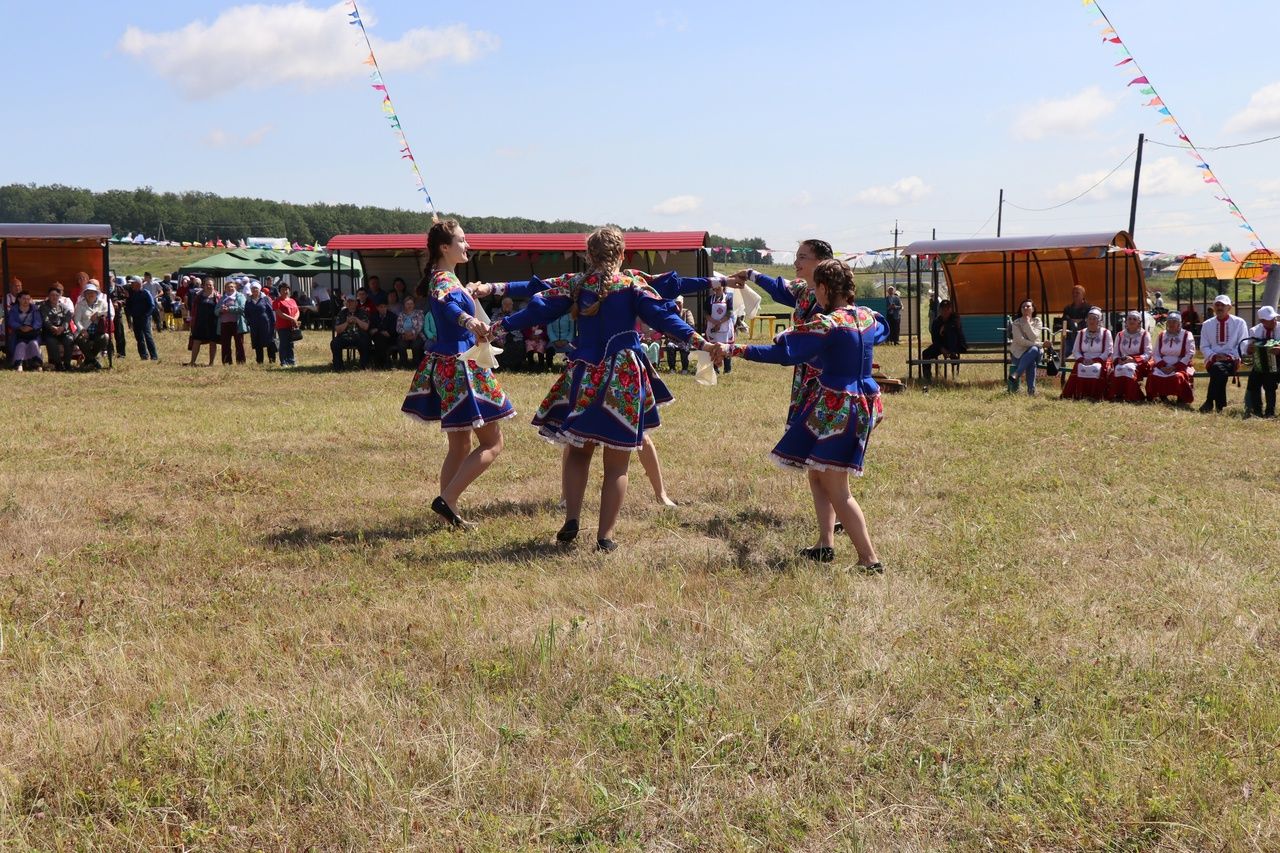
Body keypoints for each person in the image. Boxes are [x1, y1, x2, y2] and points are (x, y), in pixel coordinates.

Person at [495, 226, 719, 551]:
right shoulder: (631, 285)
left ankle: (572, 516)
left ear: (589, 255)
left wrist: (497, 326)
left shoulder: (577, 283)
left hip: (584, 372)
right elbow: (664, 320)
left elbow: (538, 307)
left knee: (578, 451)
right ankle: (605, 538)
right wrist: (699, 341)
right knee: (617, 463)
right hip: (623, 374)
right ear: (623, 254)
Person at [730, 260, 887, 574]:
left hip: (838, 407)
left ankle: (869, 560)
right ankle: (824, 544)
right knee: (817, 472)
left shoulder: (826, 323)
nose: (814, 295)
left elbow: (784, 354)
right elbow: (883, 329)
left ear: (826, 289)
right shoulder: (867, 316)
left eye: (815, 289)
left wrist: (738, 350)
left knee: (837, 487)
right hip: (863, 402)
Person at [401, 220, 542, 529]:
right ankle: (447, 500)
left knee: (460, 446)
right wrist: (467, 320)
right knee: (493, 443)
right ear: (444, 247)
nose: (468, 246)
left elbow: (451, 301)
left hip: (449, 364)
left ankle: (446, 511)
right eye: (462, 241)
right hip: (462, 366)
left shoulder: (446, 278)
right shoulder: (444, 282)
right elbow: (449, 305)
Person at [1198, 294, 1249, 413]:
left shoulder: (1239, 323)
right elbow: (1203, 346)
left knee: (1218, 369)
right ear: (1214, 307)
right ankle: (1219, 406)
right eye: (1217, 305)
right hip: (1212, 359)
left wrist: (1230, 356)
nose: (1220, 307)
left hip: (1233, 359)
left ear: (1229, 307)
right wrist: (1214, 356)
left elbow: (1243, 344)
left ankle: (1209, 402)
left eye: (1223, 305)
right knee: (1218, 369)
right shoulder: (1207, 324)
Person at [1145, 311, 1196, 405]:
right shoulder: (1162, 335)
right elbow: (1155, 353)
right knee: (1153, 376)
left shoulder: (1187, 335)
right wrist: (1162, 366)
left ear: (1179, 324)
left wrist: (1175, 367)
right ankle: (1161, 396)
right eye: (1169, 322)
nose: (1171, 324)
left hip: (1180, 365)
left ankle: (1181, 397)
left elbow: (1190, 353)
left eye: (1174, 322)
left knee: (1178, 376)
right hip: (1163, 365)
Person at [1061, 307, 1112, 400]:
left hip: (1100, 359)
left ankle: (1096, 395)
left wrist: (1096, 360)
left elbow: (1108, 351)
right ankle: (1079, 394)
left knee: (1096, 368)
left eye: (1094, 319)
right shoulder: (1081, 333)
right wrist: (1082, 359)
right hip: (1084, 359)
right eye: (1089, 318)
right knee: (1079, 367)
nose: (1091, 321)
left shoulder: (1106, 333)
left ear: (1099, 321)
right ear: (1086, 320)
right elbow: (1075, 350)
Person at [1107, 311, 1152, 403]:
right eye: (1129, 319)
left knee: (1128, 369)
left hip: (1138, 363)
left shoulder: (1144, 335)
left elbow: (1148, 353)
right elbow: (1115, 352)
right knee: (1119, 369)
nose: (1131, 321)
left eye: (1134, 319)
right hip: (1122, 361)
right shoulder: (1120, 335)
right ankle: (1118, 394)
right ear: (1126, 321)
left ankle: (1132, 395)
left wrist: (1133, 359)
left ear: (1139, 322)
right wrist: (1118, 360)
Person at [1244, 305, 1280, 418]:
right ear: (1262, 321)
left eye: (1275, 317)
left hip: (1279, 362)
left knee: (1269, 379)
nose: (1274, 320)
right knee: (1254, 380)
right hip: (1262, 363)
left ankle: (1270, 411)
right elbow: (1247, 351)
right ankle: (1257, 410)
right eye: (1271, 319)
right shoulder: (1255, 331)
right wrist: (1250, 349)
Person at [920, 299, 967, 383]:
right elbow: (934, 338)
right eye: (943, 309)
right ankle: (927, 377)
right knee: (925, 353)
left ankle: (952, 354)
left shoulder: (955, 317)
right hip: (942, 345)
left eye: (947, 309)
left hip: (956, 345)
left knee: (951, 331)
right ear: (940, 310)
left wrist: (945, 327)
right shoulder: (936, 322)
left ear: (950, 310)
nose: (945, 312)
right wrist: (941, 349)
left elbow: (956, 326)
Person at [1008, 299, 1043, 396]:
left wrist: (1027, 323)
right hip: (1018, 354)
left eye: (1028, 306)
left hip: (1036, 355)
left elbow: (1034, 336)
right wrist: (1036, 344)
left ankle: (1017, 373)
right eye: (1023, 307)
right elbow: (1020, 341)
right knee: (1031, 360)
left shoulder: (1037, 321)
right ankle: (1031, 391)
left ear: (1033, 309)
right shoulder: (1016, 323)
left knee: (1034, 351)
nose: (1025, 308)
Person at [40, 283, 77, 371]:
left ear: (60, 296)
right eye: (52, 295)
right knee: (51, 341)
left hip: (63, 331)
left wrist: (62, 328)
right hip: (50, 332)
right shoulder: (43, 307)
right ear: (48, 296)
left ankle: (67, 364)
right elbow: (45, 320)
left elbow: (68, 318)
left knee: (69, 340)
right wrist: (53, 328)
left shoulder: (64, 307)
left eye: (57, 295)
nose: (54, 297)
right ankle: (58, 364)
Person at [73, 281, 111, 368]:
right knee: (80, 339)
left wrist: (98, 314)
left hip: (98, 331)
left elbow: (108, 312)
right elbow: (77, 320)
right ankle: (94, 361)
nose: (91, 294)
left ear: (96, 293)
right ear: (85, 294)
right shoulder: (80, 304)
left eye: (93, 292)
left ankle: (88, 360)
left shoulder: (102, 302)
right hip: (85, 331)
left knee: (105, 337)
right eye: (88, 293)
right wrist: (82, 330)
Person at [330, 293, 372, 370]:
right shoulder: (341, 313)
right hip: (344, 337)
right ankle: (338, 367)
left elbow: (366, 327)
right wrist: (347, 323)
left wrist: (356, 320)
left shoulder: (362, 312)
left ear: (356, 303)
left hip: (359, 336)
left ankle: (364, 366)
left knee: (366, 342)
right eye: (348, 301)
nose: (350, 303)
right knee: (334, 343)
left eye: (352, 301)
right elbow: (338, 329)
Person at [704, 278, 736, 373]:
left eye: (719, 286)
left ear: (723, 287)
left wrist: (719, 322)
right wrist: (714, 322)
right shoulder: (709, 299)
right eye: (715, 286)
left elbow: (729, 312)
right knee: (714, 347)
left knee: (726, 347)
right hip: (712, 326)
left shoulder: (728, 298)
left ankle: (727, 369)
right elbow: (705, 313)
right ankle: (715, 369)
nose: (717, 288)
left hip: (725, 327)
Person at [187, 278, 221, 367]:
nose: (209, 286)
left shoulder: (217, 296)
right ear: (204, 285)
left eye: (210, 285)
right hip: (200, 322)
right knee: (196, 341)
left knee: (213, 343)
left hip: (213, 323)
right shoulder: (199, 296)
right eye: (207, 284)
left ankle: (211, 363)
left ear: (214, 286)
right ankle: (192, 362)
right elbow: (193, 308)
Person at [7, 291, 43, 370]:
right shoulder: (14, 309)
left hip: (33, 334)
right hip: (18, 334)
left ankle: (37, 364)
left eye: (28, 299)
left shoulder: (34, 309)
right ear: (19, 299)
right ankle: (19, 363)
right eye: (24, 299)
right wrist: (20, 327)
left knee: (34, 343)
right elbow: (11, 321)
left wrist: (31, 327)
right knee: (21, 344)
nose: (26, 301)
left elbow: (38, 321)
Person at [125, 277, 159, 361]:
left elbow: (152, 305)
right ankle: (143, 356)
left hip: (145, 318)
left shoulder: (145, 293)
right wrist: (131, 314)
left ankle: (154, 356)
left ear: (138, 284)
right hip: (135, 318)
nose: (131, 285)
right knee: (139, 338)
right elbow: (128, 305)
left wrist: (146, 315)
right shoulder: (131, 294)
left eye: (133, 283)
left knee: (148, 336)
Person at [1060, 285, 1092, 371]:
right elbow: (1065, 320)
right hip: (1069, 338)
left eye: (1077, 293)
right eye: (1073, 293)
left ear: (1083, 295)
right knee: (1061, 355)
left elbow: (1088, 321)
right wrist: (1075, 322)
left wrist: (1073, 321)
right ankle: (1059, 374)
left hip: (1084, 339)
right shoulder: (1067, 308)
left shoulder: (1089, 308)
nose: (1075, 295)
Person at [244, 282, 278, 365]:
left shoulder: (266, 299)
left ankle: (272, 361)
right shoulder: (248, 300)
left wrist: (274, 323)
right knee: (257, 343)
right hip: (254, 325)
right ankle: (259, 362)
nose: (254, 290)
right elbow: (246, 313)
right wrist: (249, 322)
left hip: (267, 324)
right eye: (253, 288)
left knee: (270, 342)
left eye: (256, 288)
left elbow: (272, 311)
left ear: (259, 289)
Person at [217, 281, 248, 365]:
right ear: (225, 288)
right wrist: (220, 310)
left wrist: (229, 309)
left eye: (232, 287)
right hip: (224, 324)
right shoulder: (222, 298)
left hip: (237, 324)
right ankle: (227, 362)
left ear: (235, 288)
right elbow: (215, 311)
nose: (230, 288)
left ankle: (241, 362)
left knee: (239, 344)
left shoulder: (240, 296)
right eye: (228, 287)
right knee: (225, 344)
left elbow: (242, 308)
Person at [665, 295, 696, 373]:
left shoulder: (687, 312)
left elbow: (691, 326)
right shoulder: (670, 314)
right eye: (675, 303)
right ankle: (672, 369)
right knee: (670, 346)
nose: (677, 305)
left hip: (684, 339)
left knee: (684, 347)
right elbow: (666, 328)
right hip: (673, 339)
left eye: (679, 303)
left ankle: (685, 369)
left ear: (682, 303)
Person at [273, 283, 301, 367]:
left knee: (290, 344)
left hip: (292, 326)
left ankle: (291, 361)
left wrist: (295, 319)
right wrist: (292, 319)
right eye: (283, 289)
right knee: (284, 344)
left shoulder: (292, 300)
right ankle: (284, 361)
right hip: (282, 326)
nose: (285, 291)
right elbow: (280, 314)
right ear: (280, 291)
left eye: (287, 289)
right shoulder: (277, 301)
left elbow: (297, 311)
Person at [395, 296, 427, 367]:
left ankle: (416, 364)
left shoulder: (419, 313)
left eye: (411, 304)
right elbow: (398, 327)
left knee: (416, 345)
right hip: (404, 335)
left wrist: (412, 333)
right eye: (407, 304)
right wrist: (405, 333)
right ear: (404, 305)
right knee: (401, 345)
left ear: (414, 304)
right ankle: (404, 364)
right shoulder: (401, 315)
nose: (409, 306)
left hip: (417, 334)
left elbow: (420, 325)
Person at [370, 300, 398, 368]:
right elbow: (371, 331)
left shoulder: (393, 316)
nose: (383, 309)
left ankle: (379, 363)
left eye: (384, 307)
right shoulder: (373, 316)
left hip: (390, 339)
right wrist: (382, 329)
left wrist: (378, 329)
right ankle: (386, 362)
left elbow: (390, 332)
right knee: (379, 338)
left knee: (380, 339)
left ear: (387, 307)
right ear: (377, 308)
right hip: (377, 339)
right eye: (381, 307)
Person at [107, 276, 128, 358]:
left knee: (119, 334)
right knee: (108, 335)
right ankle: (110, 353)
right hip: (107, 316)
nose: (109, 281)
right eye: (107, 279)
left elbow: (126, 299)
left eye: (110, 279)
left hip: (117, 314)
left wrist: (119, 303)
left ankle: (121, 353)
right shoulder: (104, 288)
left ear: (113, 279)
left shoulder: (119, 288)